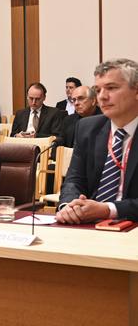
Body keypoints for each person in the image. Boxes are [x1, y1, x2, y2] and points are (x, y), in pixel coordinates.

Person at [57, 59, 138, 224]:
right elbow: (74, 179)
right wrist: (69, 206)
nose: (102, 96)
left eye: (111, 88)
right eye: (98, 90)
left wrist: (108, 209)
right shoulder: (87, 128)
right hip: (90, 224)